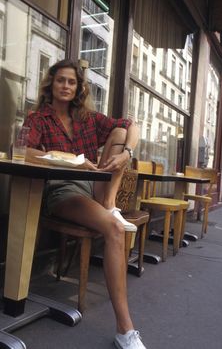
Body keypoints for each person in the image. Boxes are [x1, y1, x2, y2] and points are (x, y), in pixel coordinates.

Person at [24, 59, 146, 349]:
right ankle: (125, 330)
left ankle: (109, 201)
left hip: (95, 187)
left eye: (72, 82)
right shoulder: (38, 118)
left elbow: (131, 125)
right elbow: (24, 151)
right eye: (60, 80)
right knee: (115, 230)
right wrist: (63, 158)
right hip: (64, 190)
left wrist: (128, 153)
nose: (66, 86)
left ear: (78, 87)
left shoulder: (88, 119)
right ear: (51, 84)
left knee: (119, 131)